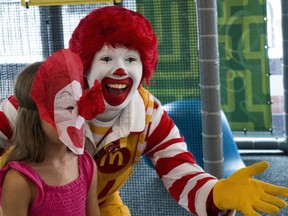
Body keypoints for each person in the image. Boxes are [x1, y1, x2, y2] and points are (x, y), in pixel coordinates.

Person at [1, 5, 288, 216]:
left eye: (131, 58)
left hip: (100, 202)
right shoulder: (42, 100)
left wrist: (220, 193)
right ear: (84, 65)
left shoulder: (149, 114)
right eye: (107, 57)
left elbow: (181, 173)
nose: (121, 68)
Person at [0, 49, 103, 216]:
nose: (76, 115)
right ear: (34, 116)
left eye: (78, 104)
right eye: (67, 107)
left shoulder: (85, 164)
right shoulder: (19, 181)